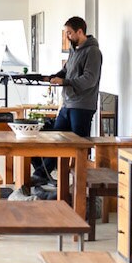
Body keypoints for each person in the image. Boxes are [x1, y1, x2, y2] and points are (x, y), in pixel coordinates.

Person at [30, 16, 102, 194]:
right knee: (55, 139)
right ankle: (43, 173)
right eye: (66, 33)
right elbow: (66, 70)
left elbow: (89, 79)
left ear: (80, 31)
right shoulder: (74, 50)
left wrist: (65, 81)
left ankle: (79, 184)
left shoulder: (93, 52)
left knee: (77, 145)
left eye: (69, 33)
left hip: (83, 105)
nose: (67, 36)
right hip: (68, 103)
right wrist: (52, 77)